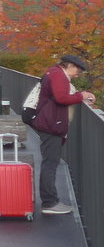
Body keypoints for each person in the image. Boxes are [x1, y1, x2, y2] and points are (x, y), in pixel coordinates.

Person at [31, 54, 96, 216]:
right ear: (69, 66)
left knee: (49, 162)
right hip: (51, 124)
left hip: (49, 122)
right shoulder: (58, 75)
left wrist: (79, 95)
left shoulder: (53, 73)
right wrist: (81, 96)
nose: (77, 74)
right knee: (50, 163)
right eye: (77, 71)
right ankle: (49, 202)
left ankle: (50, 200)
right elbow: (61, 98)